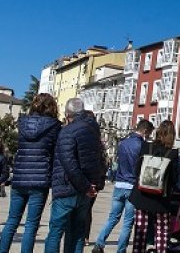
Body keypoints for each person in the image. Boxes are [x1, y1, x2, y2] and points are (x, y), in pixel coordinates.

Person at [0, 93, 61, 253]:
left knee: (12, 220)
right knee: (31, 225)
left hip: (19, 176)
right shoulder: (54, 126)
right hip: (40, 179)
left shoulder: (22, 123)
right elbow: (55, 152)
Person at [44, 98, 105, 253]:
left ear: (67, 114)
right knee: (77, 233)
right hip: (86, 191)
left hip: (67, 187)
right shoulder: (94, 131)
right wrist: (93, 185)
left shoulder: (67, 131)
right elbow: (99, 160)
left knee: (55, 232)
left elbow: (69, 164)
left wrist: (84, 186)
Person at [94, 119, 153, 253]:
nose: (148, 136)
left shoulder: (123, 143)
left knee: (113, 218)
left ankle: (99, 243)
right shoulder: (142, 146)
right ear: (144, 131)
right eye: (149, 133)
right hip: (132, 186)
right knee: (127, 223)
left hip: (119, 184)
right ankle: (120, 250)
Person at [128, 120, 180, 253]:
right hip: (161, 199)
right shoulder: (173, 153)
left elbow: (137, 170)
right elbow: (174, 179)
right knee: (162, 233)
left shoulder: (146, 146)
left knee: (140, 231)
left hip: (142, 195)